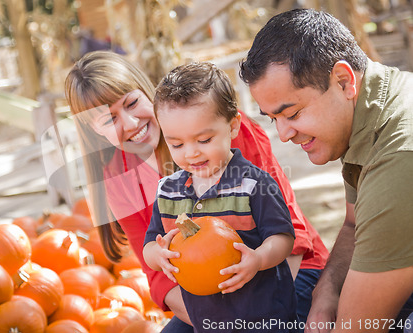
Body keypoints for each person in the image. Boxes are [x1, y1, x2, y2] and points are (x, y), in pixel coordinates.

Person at [64, 51, 328, 331]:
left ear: (146, 92)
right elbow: (158, 276)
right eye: (109, 120)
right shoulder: (118, 179)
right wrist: (218, 324)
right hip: (208, 304)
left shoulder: (221, 132)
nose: (130, 124)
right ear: (94, 132)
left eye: (132, 103)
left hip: (284, 275)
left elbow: (290, 235)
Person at [239, 8, 413, 333]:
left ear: (344, 81)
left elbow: (357, 328)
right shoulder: (370, 106)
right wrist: (326, 290)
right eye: (271, 118)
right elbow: (353, 224)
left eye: (291, 113)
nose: (284, 134)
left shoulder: (399, 156)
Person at [143, 62, 298, 332]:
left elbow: (282, 238)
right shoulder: (167, 191)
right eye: (176, 144)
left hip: (263, 317)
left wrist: (259, 259)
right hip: (205, 319)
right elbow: (149, 246)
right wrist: (159, 254)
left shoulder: (254, 184)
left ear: (233, 126)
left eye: (204, 140)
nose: (191, 153)